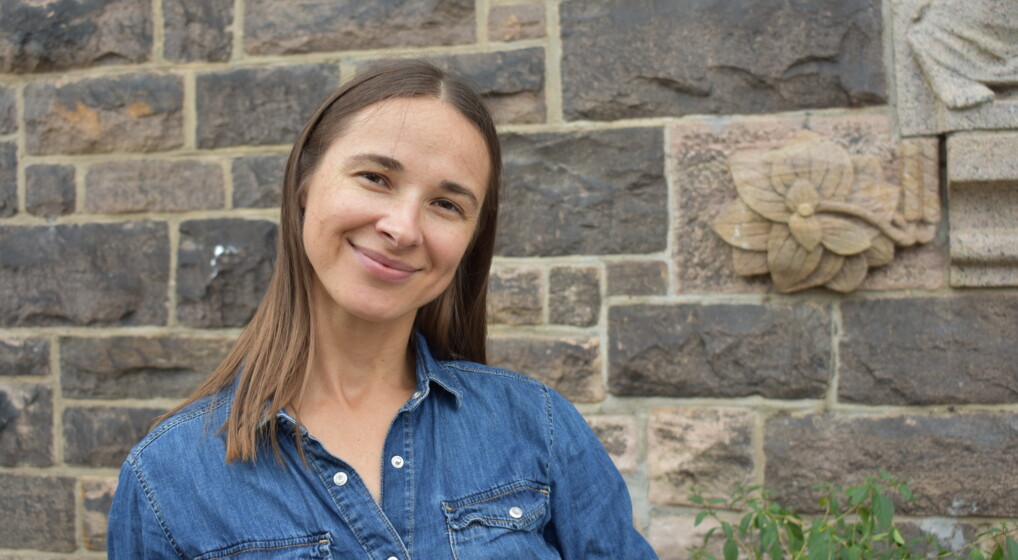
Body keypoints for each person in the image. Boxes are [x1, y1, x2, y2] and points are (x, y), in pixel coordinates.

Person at [107, 59, 658, 559]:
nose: (402, 228)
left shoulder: (538, 428)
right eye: (376, 178)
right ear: (305, 184)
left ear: (471, 238)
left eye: (446, 204)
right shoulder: (166, 480)